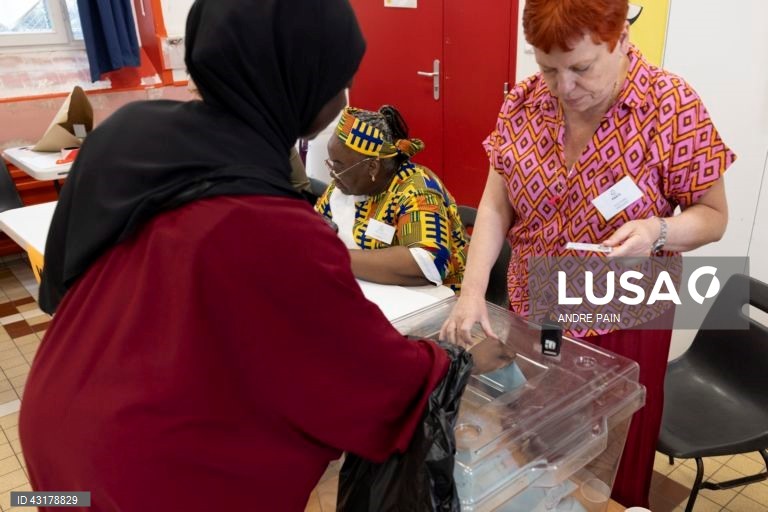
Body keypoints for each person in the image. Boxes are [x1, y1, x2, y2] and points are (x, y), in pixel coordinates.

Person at [19, 1, 463, 510]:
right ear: (299, 83)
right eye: (337, 80)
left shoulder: (126, 134)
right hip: (140, 477)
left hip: (56, 433)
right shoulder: (267, 222)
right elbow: (373, 381)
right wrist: (450, 361)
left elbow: (64, 289)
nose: (343, 100)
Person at [439, 0, 734, 507]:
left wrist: (657, 232)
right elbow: (494, 205)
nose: (564, 87)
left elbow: (714, 216)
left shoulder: (670, 106)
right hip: (538, 310)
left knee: (608, 456)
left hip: (624, 315)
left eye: (580, 68)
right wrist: (469, 291)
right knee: (539, 440)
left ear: (620, 39)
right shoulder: (526, 103)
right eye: (547, 67)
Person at [315, 105, 468, 291]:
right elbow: (316, 231)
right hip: (372, 290)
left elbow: (428, 263)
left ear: (372, 167)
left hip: (434, 303)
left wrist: (335, 257)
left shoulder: (417, 189)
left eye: (338, 166)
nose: (332, 173)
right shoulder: (343, 186)